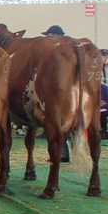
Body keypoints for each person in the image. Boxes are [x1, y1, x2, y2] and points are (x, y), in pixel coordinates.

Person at [42, 25, 70, 161]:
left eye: (49, 36)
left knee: (59, 123)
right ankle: (64, 152)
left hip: (61, 93)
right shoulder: (68, 50)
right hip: (67, 92)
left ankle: (63, 153)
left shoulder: (58, 53)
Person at [100, 49, 108, 140]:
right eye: (103, 56)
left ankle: (103, 131)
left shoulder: (107, 68)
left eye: (106, 56)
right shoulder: (92, 66)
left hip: (104, 89)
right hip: (95, 91)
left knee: (105, 109)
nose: (104, 58)